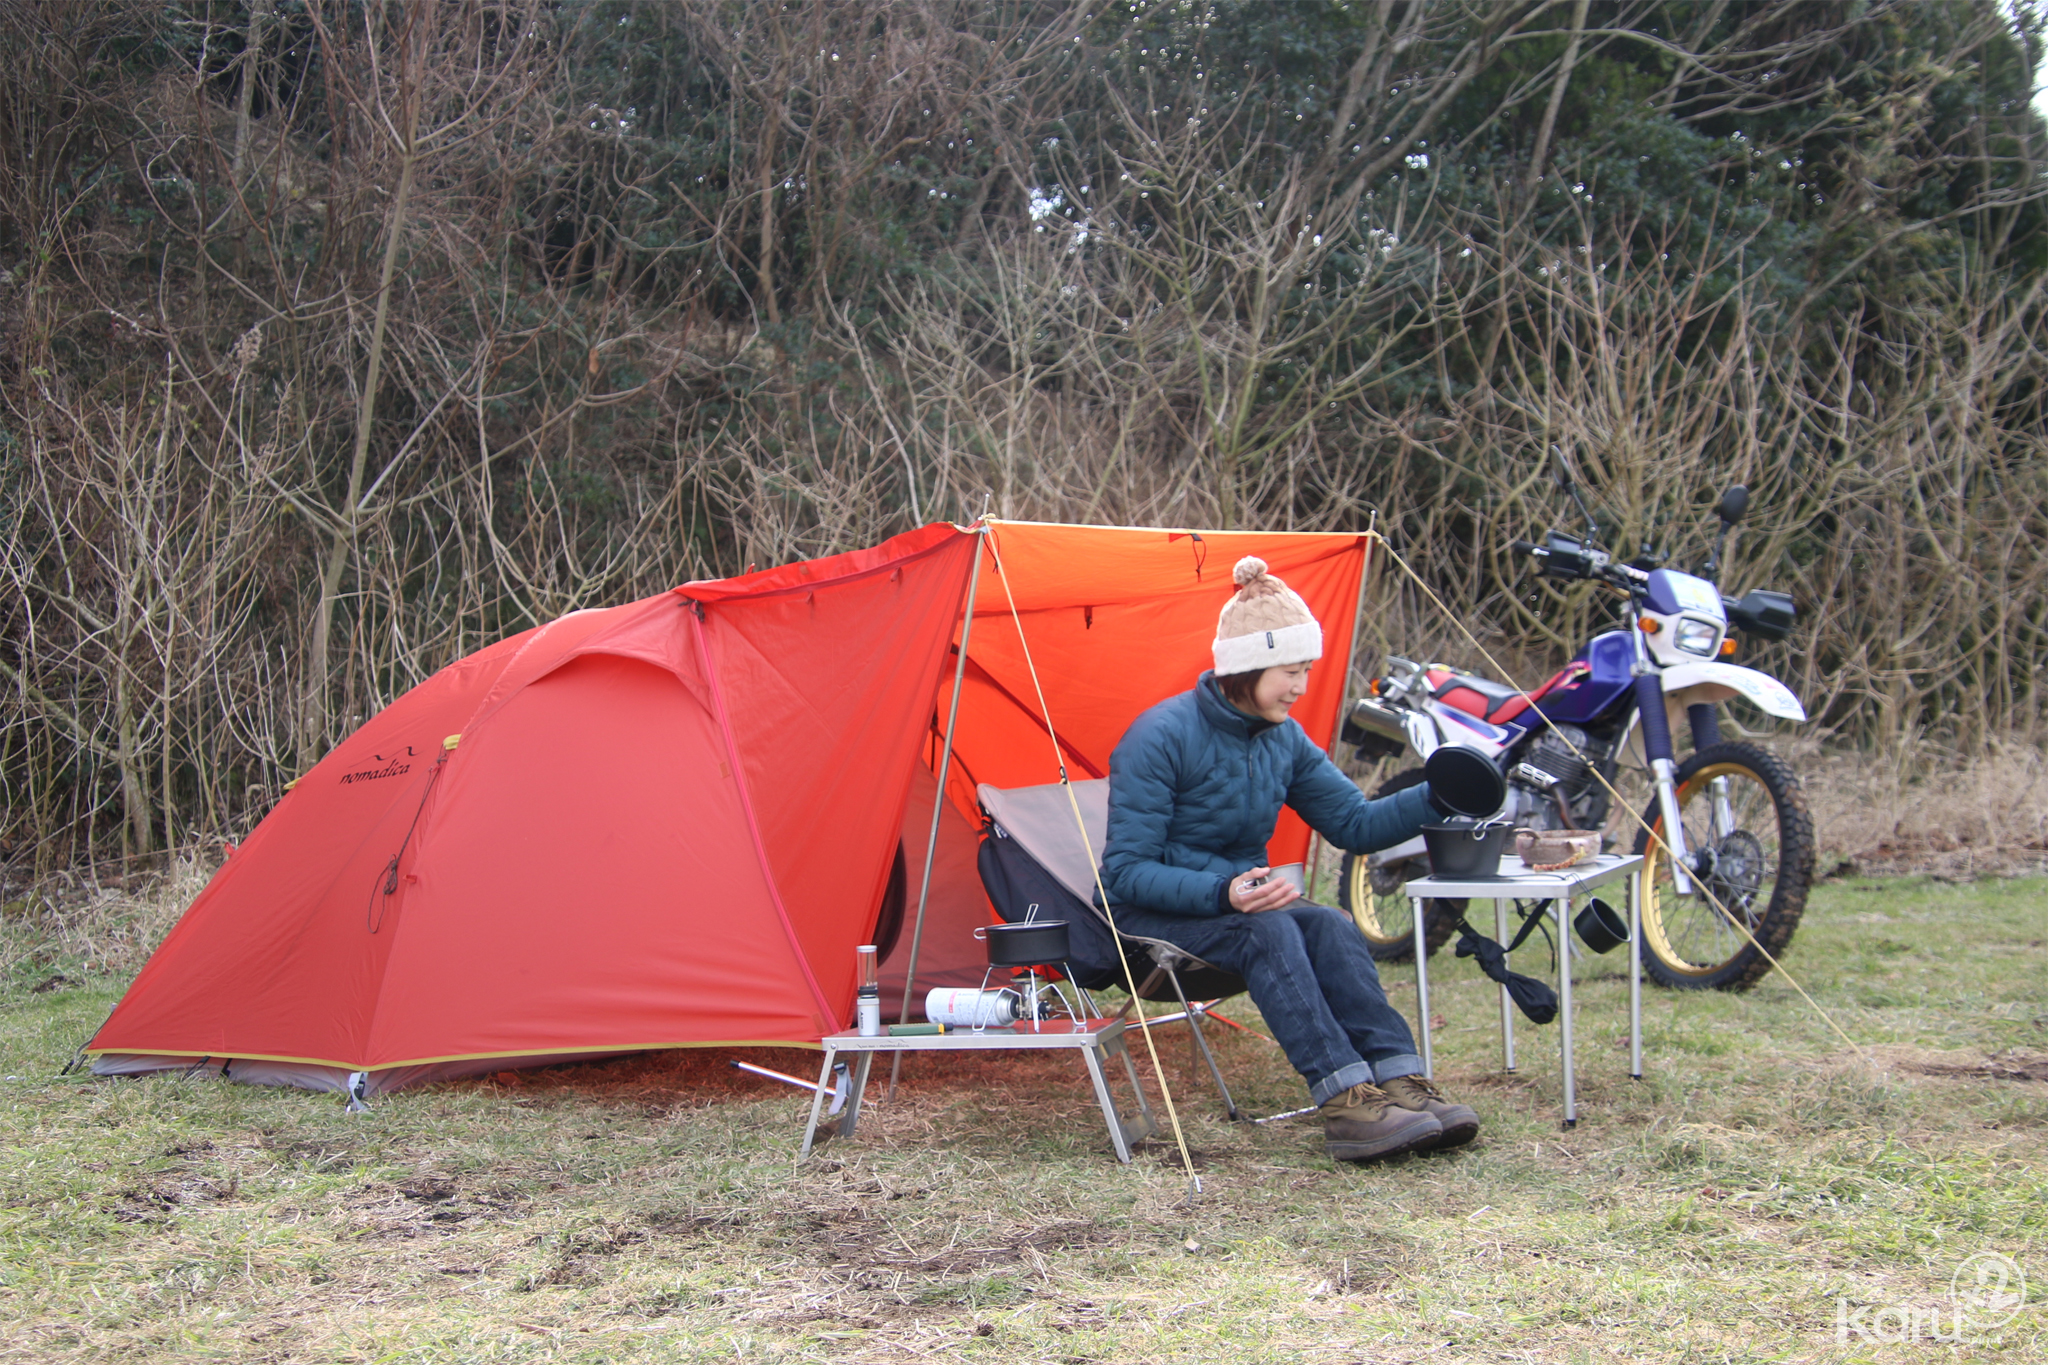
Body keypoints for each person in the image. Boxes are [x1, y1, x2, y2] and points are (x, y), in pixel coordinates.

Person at [1099, 555, 1479, 1162]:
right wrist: (1225, 892)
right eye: (1291, 671)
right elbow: (1124, 872)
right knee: (1272, 925)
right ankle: (1346, 1102)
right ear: (1246, 666)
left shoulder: (1284, 739)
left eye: (1307, 670)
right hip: (1144, 918)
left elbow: (1355, 824)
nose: (1302, 687)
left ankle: (1399, 1080)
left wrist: (1439, 794)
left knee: (1329, 921)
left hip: (1240, 908)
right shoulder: (1160, 735)